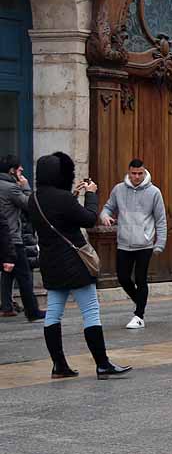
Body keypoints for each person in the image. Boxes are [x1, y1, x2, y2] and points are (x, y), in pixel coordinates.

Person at [28, 152, 131, 379]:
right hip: (74, 263)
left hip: (50, 264)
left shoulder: (34, 199)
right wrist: (91, 195)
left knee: (53, 314)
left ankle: (59, 365)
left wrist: (73, 195)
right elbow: (88, 218)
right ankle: (102, 364)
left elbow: (58, 218)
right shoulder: (62, 198)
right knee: (91, 311)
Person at [99, 158, 167, 329]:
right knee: (122, 277)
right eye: (133, 173)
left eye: (140, 173)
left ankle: (139, 315)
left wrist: (160, 243)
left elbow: (161, 220)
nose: (137, 177)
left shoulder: (154, 192)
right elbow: (107, 208)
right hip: (124, 242)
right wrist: (105, 216)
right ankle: (140, 301)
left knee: (140, 278)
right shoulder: (119, 189)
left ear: (144, 173)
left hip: (144, 244)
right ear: (128, 173)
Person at [0, 154, 43, 320]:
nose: (22, 171)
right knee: (24, 275)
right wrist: (25, 186)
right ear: (12, 171)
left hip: (4, 238)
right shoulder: (11, 188)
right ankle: (32, 311)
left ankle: (6, 306)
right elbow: (30, 205)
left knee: (7, 272)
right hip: (12, 238)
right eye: (19, 169)